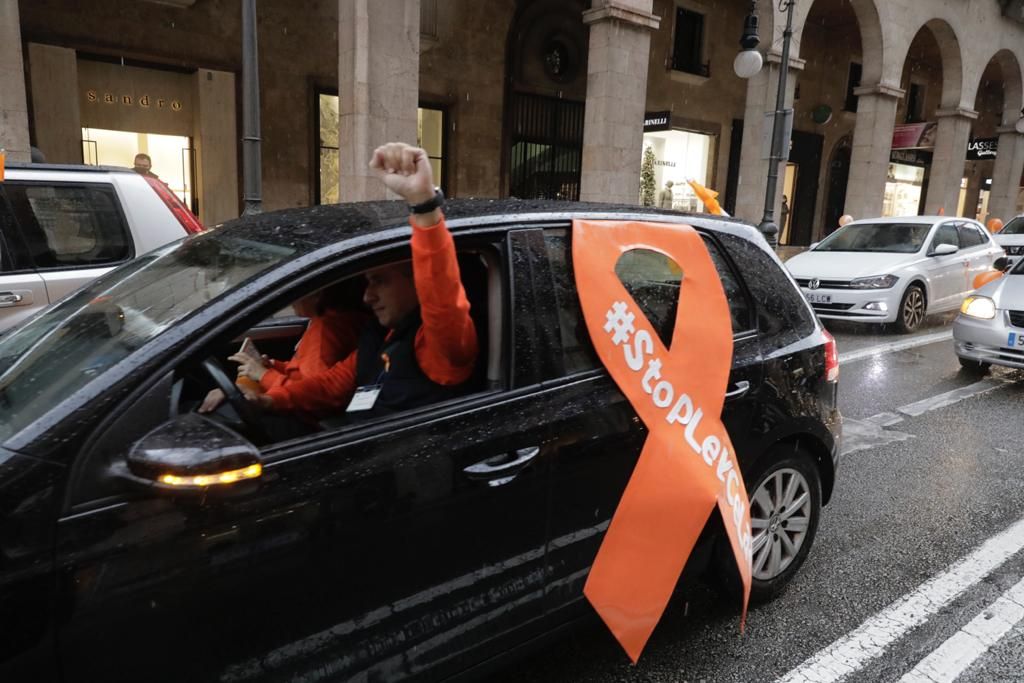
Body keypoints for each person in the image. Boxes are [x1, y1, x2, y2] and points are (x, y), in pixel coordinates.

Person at [249, 141, 478, 421]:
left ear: (417, 281)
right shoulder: (379, 336)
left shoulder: (441, 348)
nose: (367, 297)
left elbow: (444, 302)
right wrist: (269, 401)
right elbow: (331, 385)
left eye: (379, 281)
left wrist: (424, 205)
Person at [197, 286, 367, 421]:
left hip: (302, 421)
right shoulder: (338, 321)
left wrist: (264, 376)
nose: (290, 301)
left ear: (318, 294)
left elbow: (316, 396)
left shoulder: (326, 330)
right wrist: (275, 366)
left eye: (297, 292)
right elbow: (312, 374)